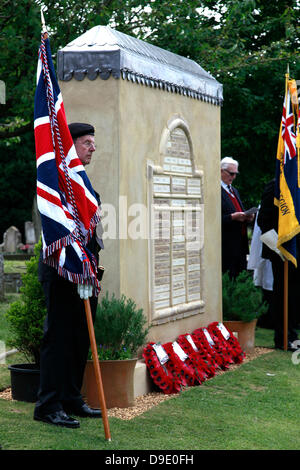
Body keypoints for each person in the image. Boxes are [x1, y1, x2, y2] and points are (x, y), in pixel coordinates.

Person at [34, 123, 103, 428]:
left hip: (84, 274)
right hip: (61, 271)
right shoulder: (57, 183)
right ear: (72, 145)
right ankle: (48, 404)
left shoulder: (83, 183)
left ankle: (71, 397)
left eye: (93, 143)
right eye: (87, 142)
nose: (92, 148)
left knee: (78, 338)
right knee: (58, 338)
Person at [257, 179, 299, 351]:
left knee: (295, 294)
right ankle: (281, 336)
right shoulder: (275, 185)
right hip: (281, 250)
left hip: (296, 250)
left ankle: (292, 334)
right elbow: (264, 220)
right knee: (283, 292)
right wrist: (279, 246)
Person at [221, 156, 254, 278]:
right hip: (227, 246)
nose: (233, 177)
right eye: (231, 173)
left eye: (235, 174)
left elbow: (239, 210)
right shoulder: (215, 190)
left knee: (240, 278)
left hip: (240, 244)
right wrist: (231, 217)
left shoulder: (234, 190)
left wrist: (248, 217)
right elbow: (212, 220)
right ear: (221, 171)